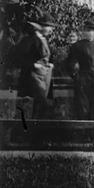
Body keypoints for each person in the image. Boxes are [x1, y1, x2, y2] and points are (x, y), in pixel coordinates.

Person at [15, 17, 57, 146]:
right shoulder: (30, 40)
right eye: (49, 27)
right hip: (33, 75)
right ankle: (32, 137)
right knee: (41, 103)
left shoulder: (44, 40)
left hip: (45, 75)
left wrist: (50, 64)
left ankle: (37, 138)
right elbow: (19, 57)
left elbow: (48, 56)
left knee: (41, 106)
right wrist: (34, 65)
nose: (51, 30)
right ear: (41, 27)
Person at [66, 20, 94, 143]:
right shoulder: (76, 46)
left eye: (93, 31)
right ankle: (83, 134)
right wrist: (76, 76)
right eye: (88, 30)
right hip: (83, 80)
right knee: (82, 108)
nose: (90, 33)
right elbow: (70, 64)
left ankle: (93, 133)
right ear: (83, 32)